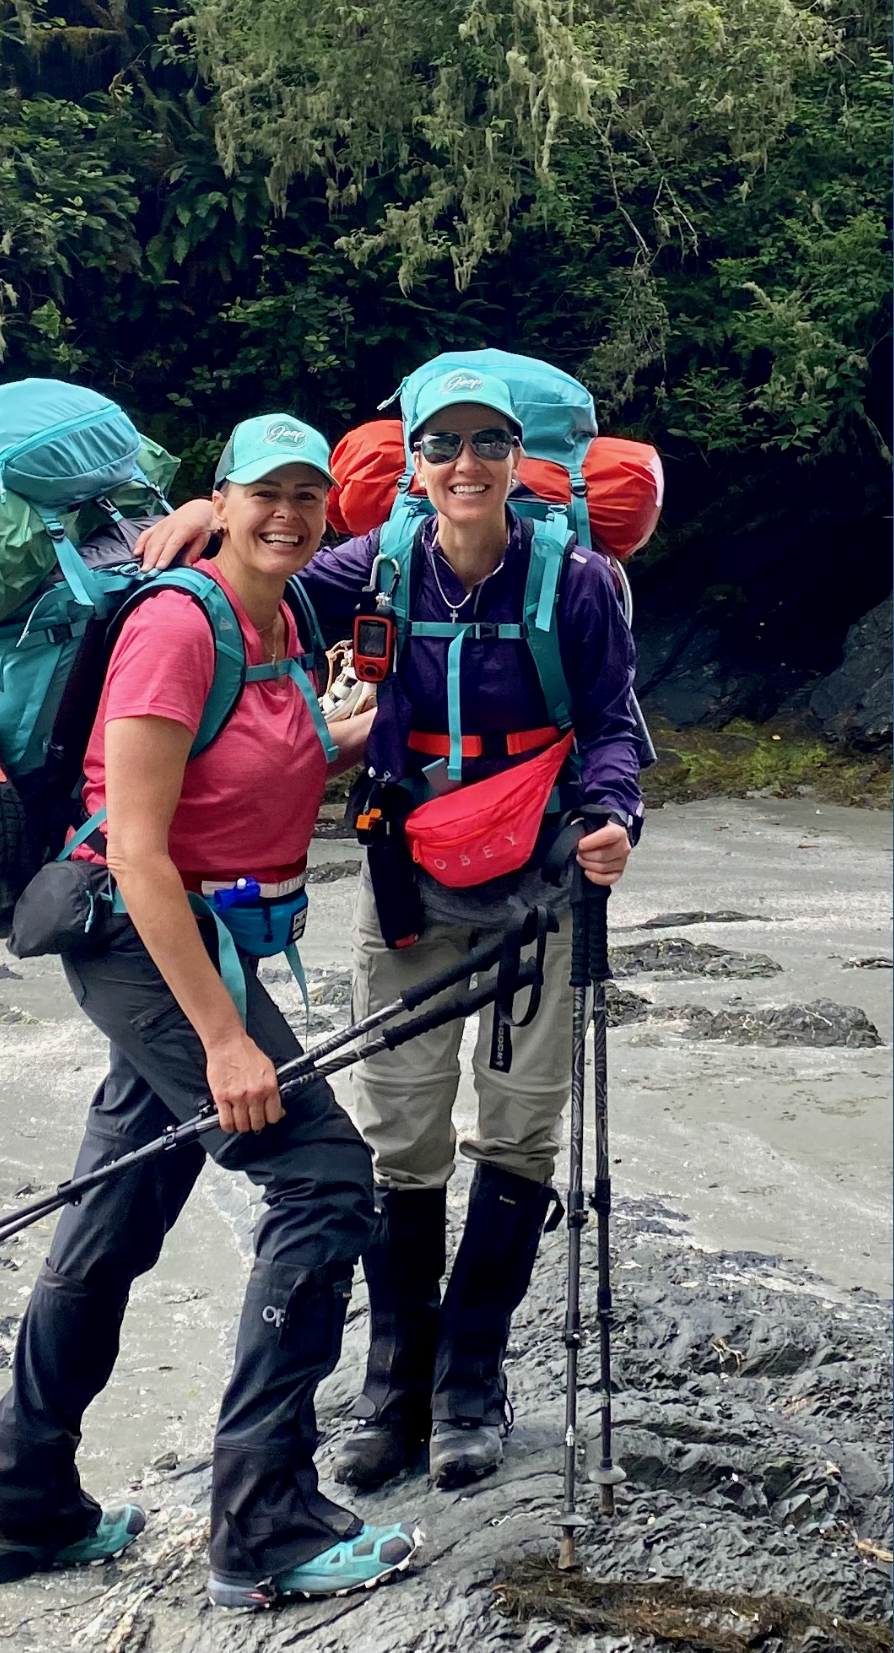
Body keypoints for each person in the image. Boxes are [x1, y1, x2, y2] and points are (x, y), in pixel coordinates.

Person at [139, 366, 643, 1496]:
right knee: (398, 1137)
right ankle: (392, 1385)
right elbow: (249, 583)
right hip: (408, 883)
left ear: (517, 459)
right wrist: (197, 516)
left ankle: (471, 1383)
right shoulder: (369, 568)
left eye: (487, 443)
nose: (464, 464)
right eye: (442, 444)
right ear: (412, 463)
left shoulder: (580, 582)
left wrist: (612, 819)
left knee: (517, 1133)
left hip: (546, 884)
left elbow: (613, 728)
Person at [0, 414, 421, 1608]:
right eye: (265, 492)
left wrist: (369, 736)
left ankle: (22, 1506)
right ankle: (263, 1527)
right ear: (220, 497)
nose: (289, 513)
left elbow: (268, 757)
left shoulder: (287, 620)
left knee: (119, 1204)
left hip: (196, 943)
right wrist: (222, 1035)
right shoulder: (176, 624)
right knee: (323, 1178)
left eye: (309, 496)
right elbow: (141, 849)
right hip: (139, 935)